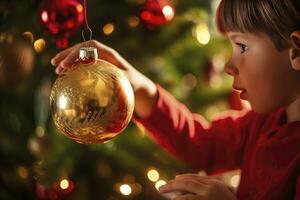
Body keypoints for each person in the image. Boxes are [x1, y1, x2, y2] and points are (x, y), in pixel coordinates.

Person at [51, 0, 300, 199]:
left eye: (242, 47)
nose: (230, 65)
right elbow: (203, 144)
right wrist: (141, 88)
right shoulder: (262, 122)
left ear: (296, 51)